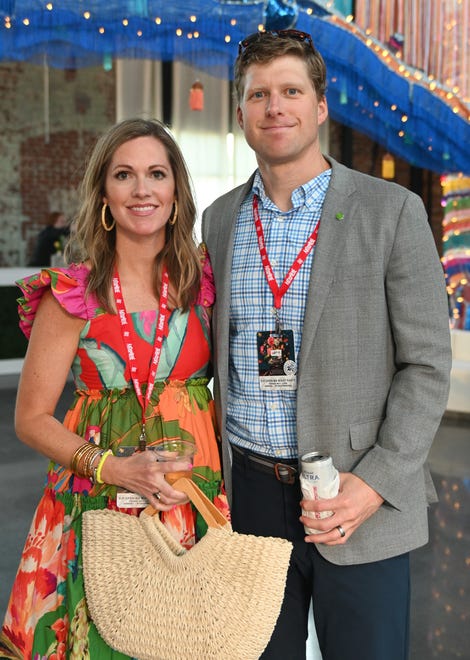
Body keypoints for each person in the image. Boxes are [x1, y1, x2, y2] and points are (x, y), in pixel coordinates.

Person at [201, 29, 452, 660]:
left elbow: (426, 365)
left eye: (291, 91)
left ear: (320, 107)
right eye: (259, 95)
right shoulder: (220, 218)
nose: (274, 107)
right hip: (251, 497)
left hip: (354, 495)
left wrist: (375, 483)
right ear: (240, 115)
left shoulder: (391, 211)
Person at [0, 118, 229, 659]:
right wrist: (112, 467)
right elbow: (30, 418)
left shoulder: (202, 283)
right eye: (124, 175)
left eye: (157, 173)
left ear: (177, 194)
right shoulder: (71, 295)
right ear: (104, 194)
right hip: (98, 502)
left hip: (190, 498)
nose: (142, 189)